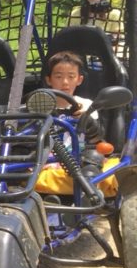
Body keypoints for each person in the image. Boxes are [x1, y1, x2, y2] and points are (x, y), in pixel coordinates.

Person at [36, 50, 119, 197]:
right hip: (48, 161)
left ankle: (87, 194)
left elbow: (97, 140)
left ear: (79, 80)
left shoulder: (87, 106)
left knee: (101, 160)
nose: (65, 82)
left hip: (82, 161)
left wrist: (87, 121)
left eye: (71, 77)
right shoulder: (38, 106)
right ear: (49, 80)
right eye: (59, 77)